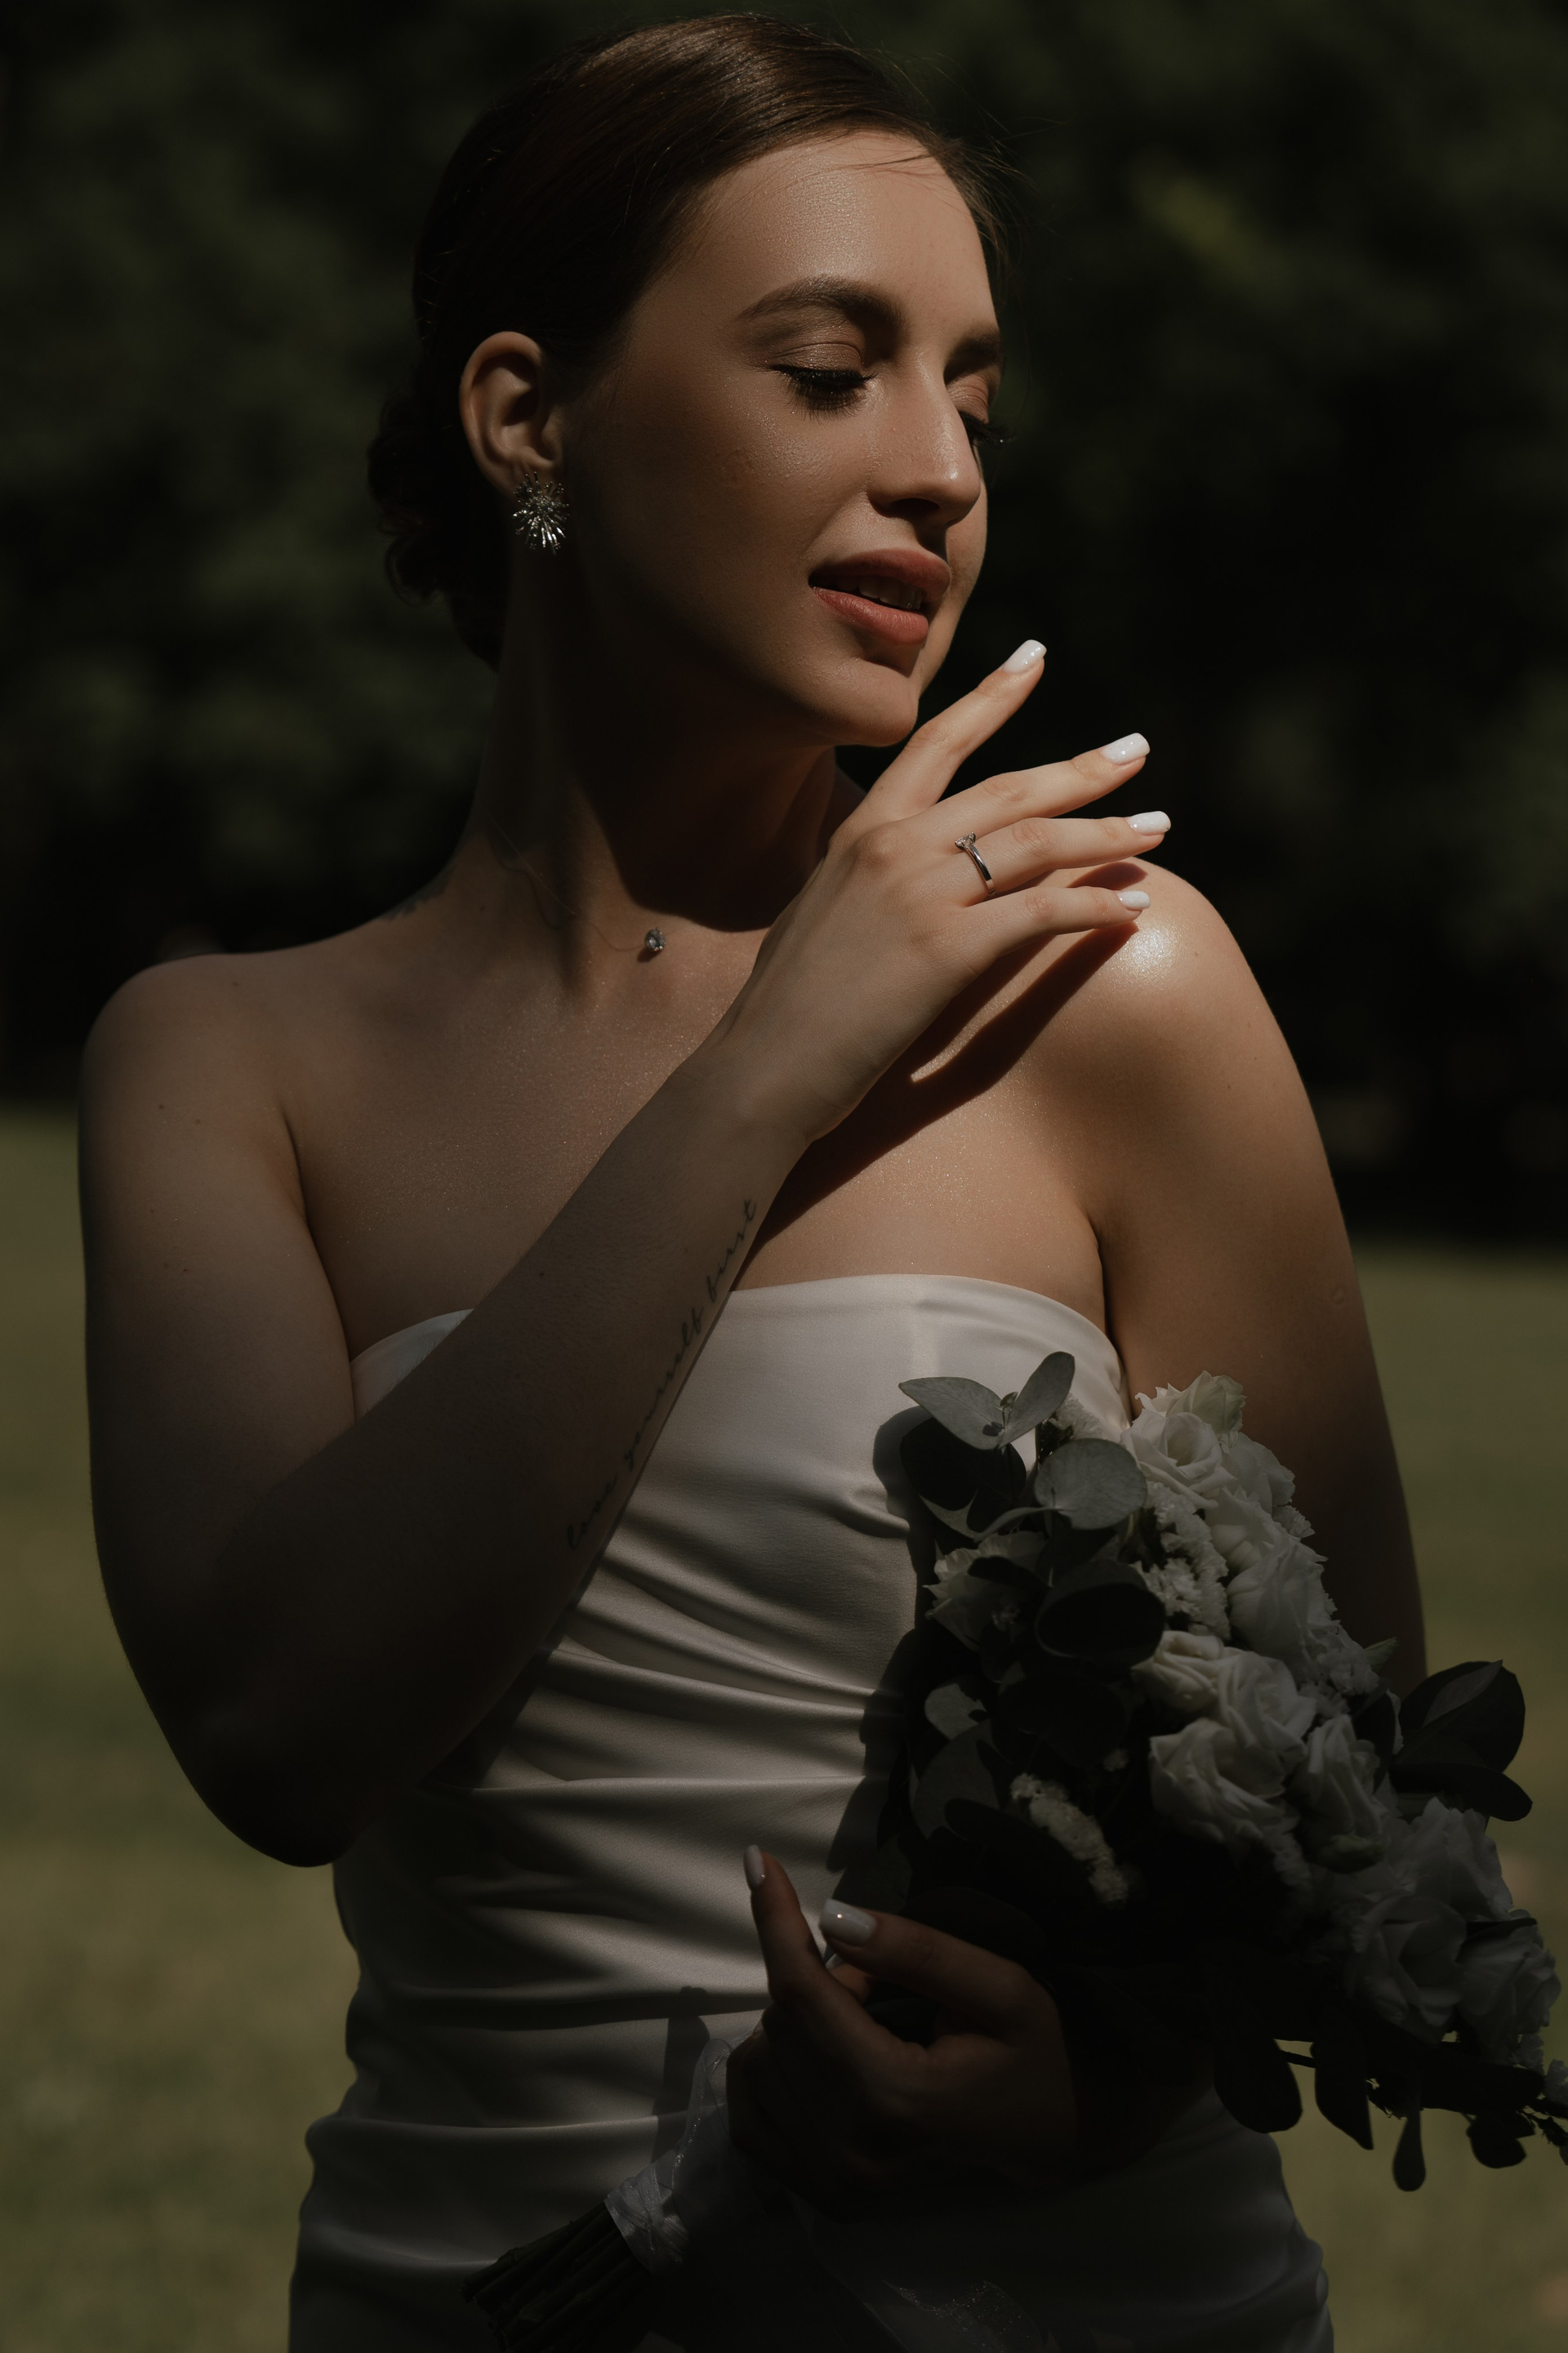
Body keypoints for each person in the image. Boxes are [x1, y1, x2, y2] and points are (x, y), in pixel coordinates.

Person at [78, 17, 1423, 2348]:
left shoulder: (1114, 986)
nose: (938, 470)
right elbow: (281, 1733)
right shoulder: (224, 1069)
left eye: (974, 400)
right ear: (528, 419)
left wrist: (1099, 2089)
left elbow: (1371, 1782)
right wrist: (763, 1073)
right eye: (829, 371)